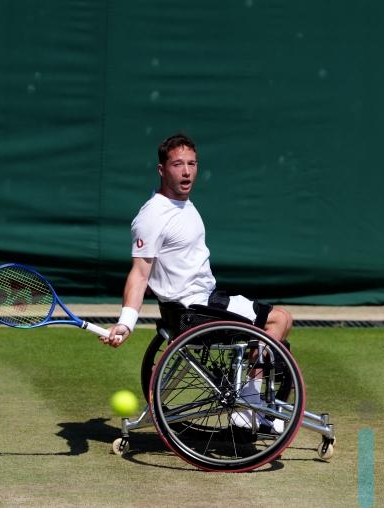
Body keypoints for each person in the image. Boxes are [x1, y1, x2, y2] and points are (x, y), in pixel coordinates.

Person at [101, 133, 292, 431]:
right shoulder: (152, 216)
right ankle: (248, 406)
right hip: (193, 311)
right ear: (162, 170)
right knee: (278, 320)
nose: (187, 172)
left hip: (207, 299)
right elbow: (139, 274)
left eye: (192, 164)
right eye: (178, 164)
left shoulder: (184, 205)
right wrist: (126, 323)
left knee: (282, 320)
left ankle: (250, 401)